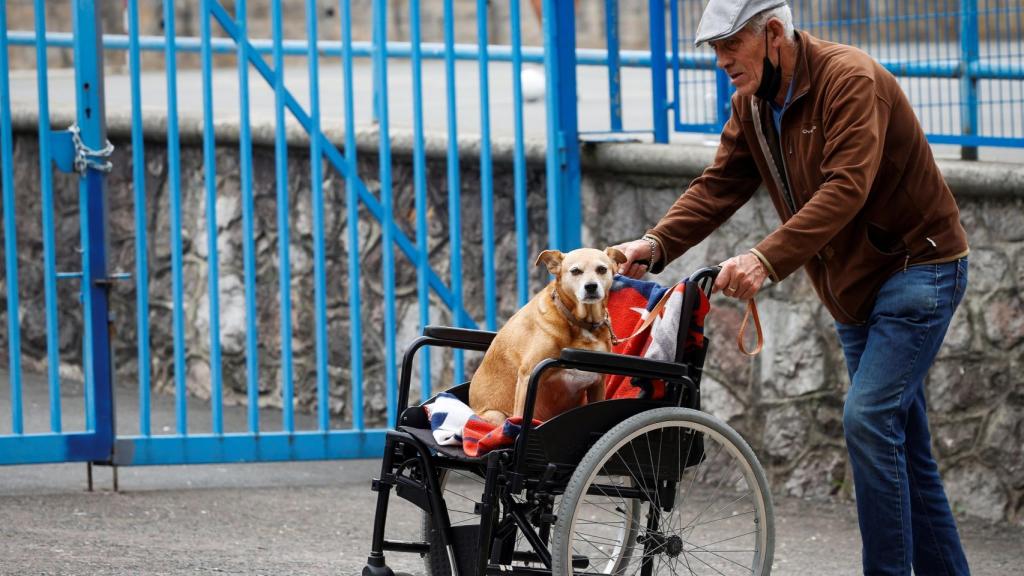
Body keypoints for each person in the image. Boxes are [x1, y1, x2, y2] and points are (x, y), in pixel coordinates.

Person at [615, 1, 971, 574]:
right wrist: (653, 245)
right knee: (902, 442)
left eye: (732, 45)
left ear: (774, 32)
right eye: (714, 49)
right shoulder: (751, 105)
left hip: (918, 269)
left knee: (869, 421)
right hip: (853, 288)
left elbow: (845, 188)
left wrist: (764, 258)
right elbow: (717, 187)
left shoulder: (850, 80)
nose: (722, 61)